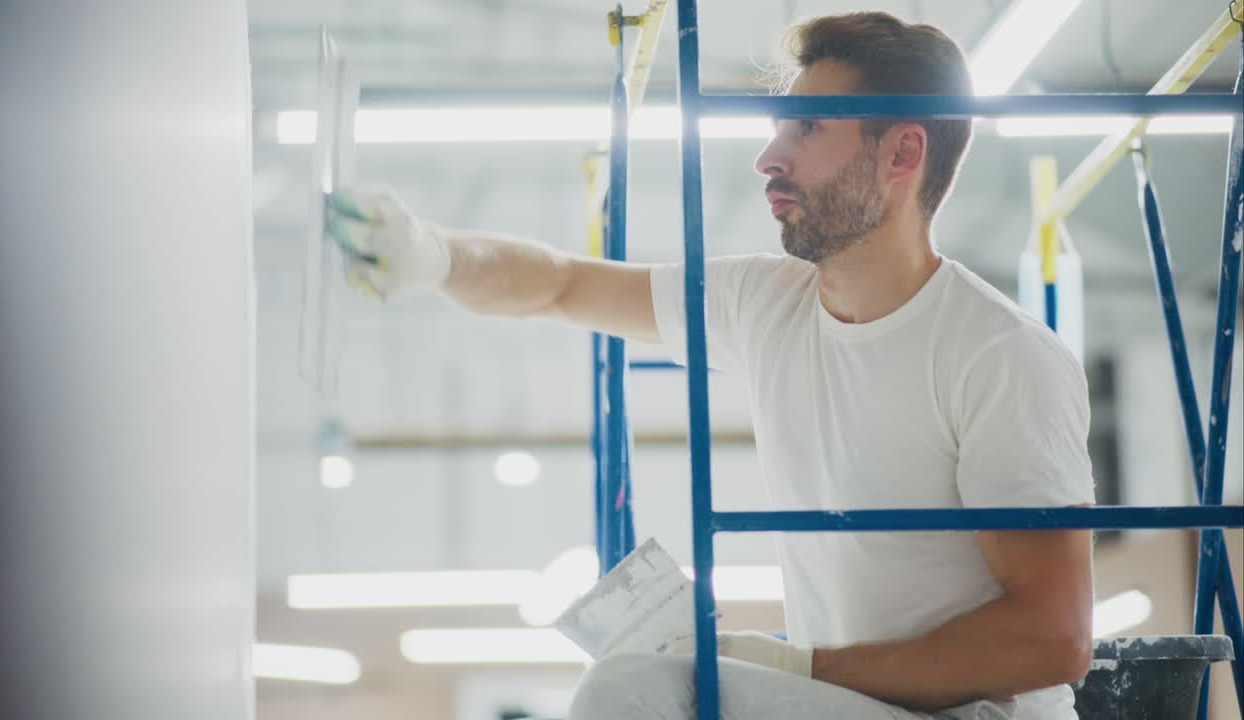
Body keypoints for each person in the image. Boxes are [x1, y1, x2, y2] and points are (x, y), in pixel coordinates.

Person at [325, 11, 1095, 720]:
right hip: (862, 703)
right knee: (647, 675)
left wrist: (801, 665)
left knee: (634, 690)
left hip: (978, 716)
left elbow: (1053, 638)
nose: (768, 157)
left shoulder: (998, 356)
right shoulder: (765, 304)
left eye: (807, 130)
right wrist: (434, 256)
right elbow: (563, 283)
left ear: (901, 153)